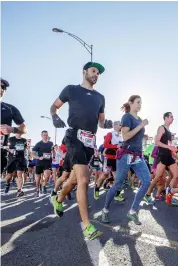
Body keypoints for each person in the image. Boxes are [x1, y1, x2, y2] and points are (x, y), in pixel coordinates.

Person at [50, 62, 113, 240]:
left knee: (73, 180)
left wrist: (105, 124)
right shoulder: (71, 89)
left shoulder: (100, 97)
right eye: (93, 71)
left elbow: (101, 122)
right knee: (84, 179)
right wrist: (55, 116)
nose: (96, 75)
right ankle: (87, 226)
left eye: (98, 73)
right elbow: (54, 106)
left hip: (89, 141)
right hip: (73, 136)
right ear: (84, 72)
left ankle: (58, 199)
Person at [101, 95, 150, 225]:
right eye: (138, 102)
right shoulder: (127, 117)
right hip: (125, 155)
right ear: (131, 103)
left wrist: (142, 134)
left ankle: (132, 211)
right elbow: (126, 136)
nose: (140, 105)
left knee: (146, 181)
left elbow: (135, 135)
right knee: (118, 185)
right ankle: (105, 210)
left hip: (137, 155)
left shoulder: (138, 119)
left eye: (141, 102)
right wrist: (141, 126)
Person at [145, 112, 178, 205]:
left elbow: (168, 144)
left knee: (176, 175)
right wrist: (169, 147)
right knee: (157, 178)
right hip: (162, 156)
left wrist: (174, 150)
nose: (173, 118)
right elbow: (157, 142)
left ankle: (169, 196)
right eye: (171, 116)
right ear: (166, 118)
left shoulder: (169, 131)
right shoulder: (161, 128)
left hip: (169, 156)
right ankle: (147, 195)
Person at [1, 78, 27, 175]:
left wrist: (12, 129)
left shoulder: (10, 109)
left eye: (3, 87)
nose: (1, 89)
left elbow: (24, 128)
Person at [95, 121, 123, 200]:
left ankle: (117, 195)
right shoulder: (110, 134)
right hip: (109, 158)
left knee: (117, 178)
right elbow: (105, 145)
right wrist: (116, 146)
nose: (121, 126)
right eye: (120, 124)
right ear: (115, 125)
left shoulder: (121, 136)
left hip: (117, 158)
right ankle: (97, 188)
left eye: (121, 124)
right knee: (105, 175)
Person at [31, 130, 53, 196]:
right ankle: (38, 190)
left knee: (47, 175)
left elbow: (52, 151)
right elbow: (32, 153)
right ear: (41, 136)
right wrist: (38, 157)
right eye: (44, 135)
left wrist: (53, 155)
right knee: (38, 178)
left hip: (48, 162)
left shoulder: (51, 143)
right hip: (40, 162)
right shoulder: (38, 144)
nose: (46, 136)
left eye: (46, 135)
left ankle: (44, 186)